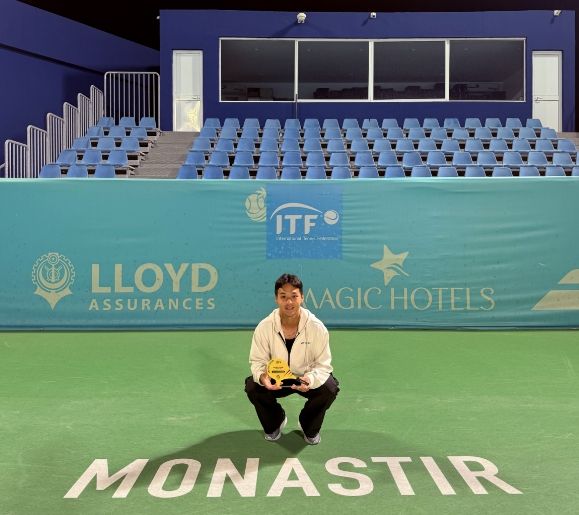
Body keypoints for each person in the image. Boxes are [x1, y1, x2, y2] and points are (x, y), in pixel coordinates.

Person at [245, 273, 339, 445]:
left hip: (305, 377)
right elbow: (257, 362)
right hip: (277, 379)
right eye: (283, 297)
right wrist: (263, 378)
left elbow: (323, 366)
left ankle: (308, 425)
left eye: (294, 296)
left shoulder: (317, 328)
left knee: (329, 388)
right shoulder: (264, 327)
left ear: (302, 297)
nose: (289, 302)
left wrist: (309, 380)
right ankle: (275, 421)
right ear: (276, 299)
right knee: (253, 386)